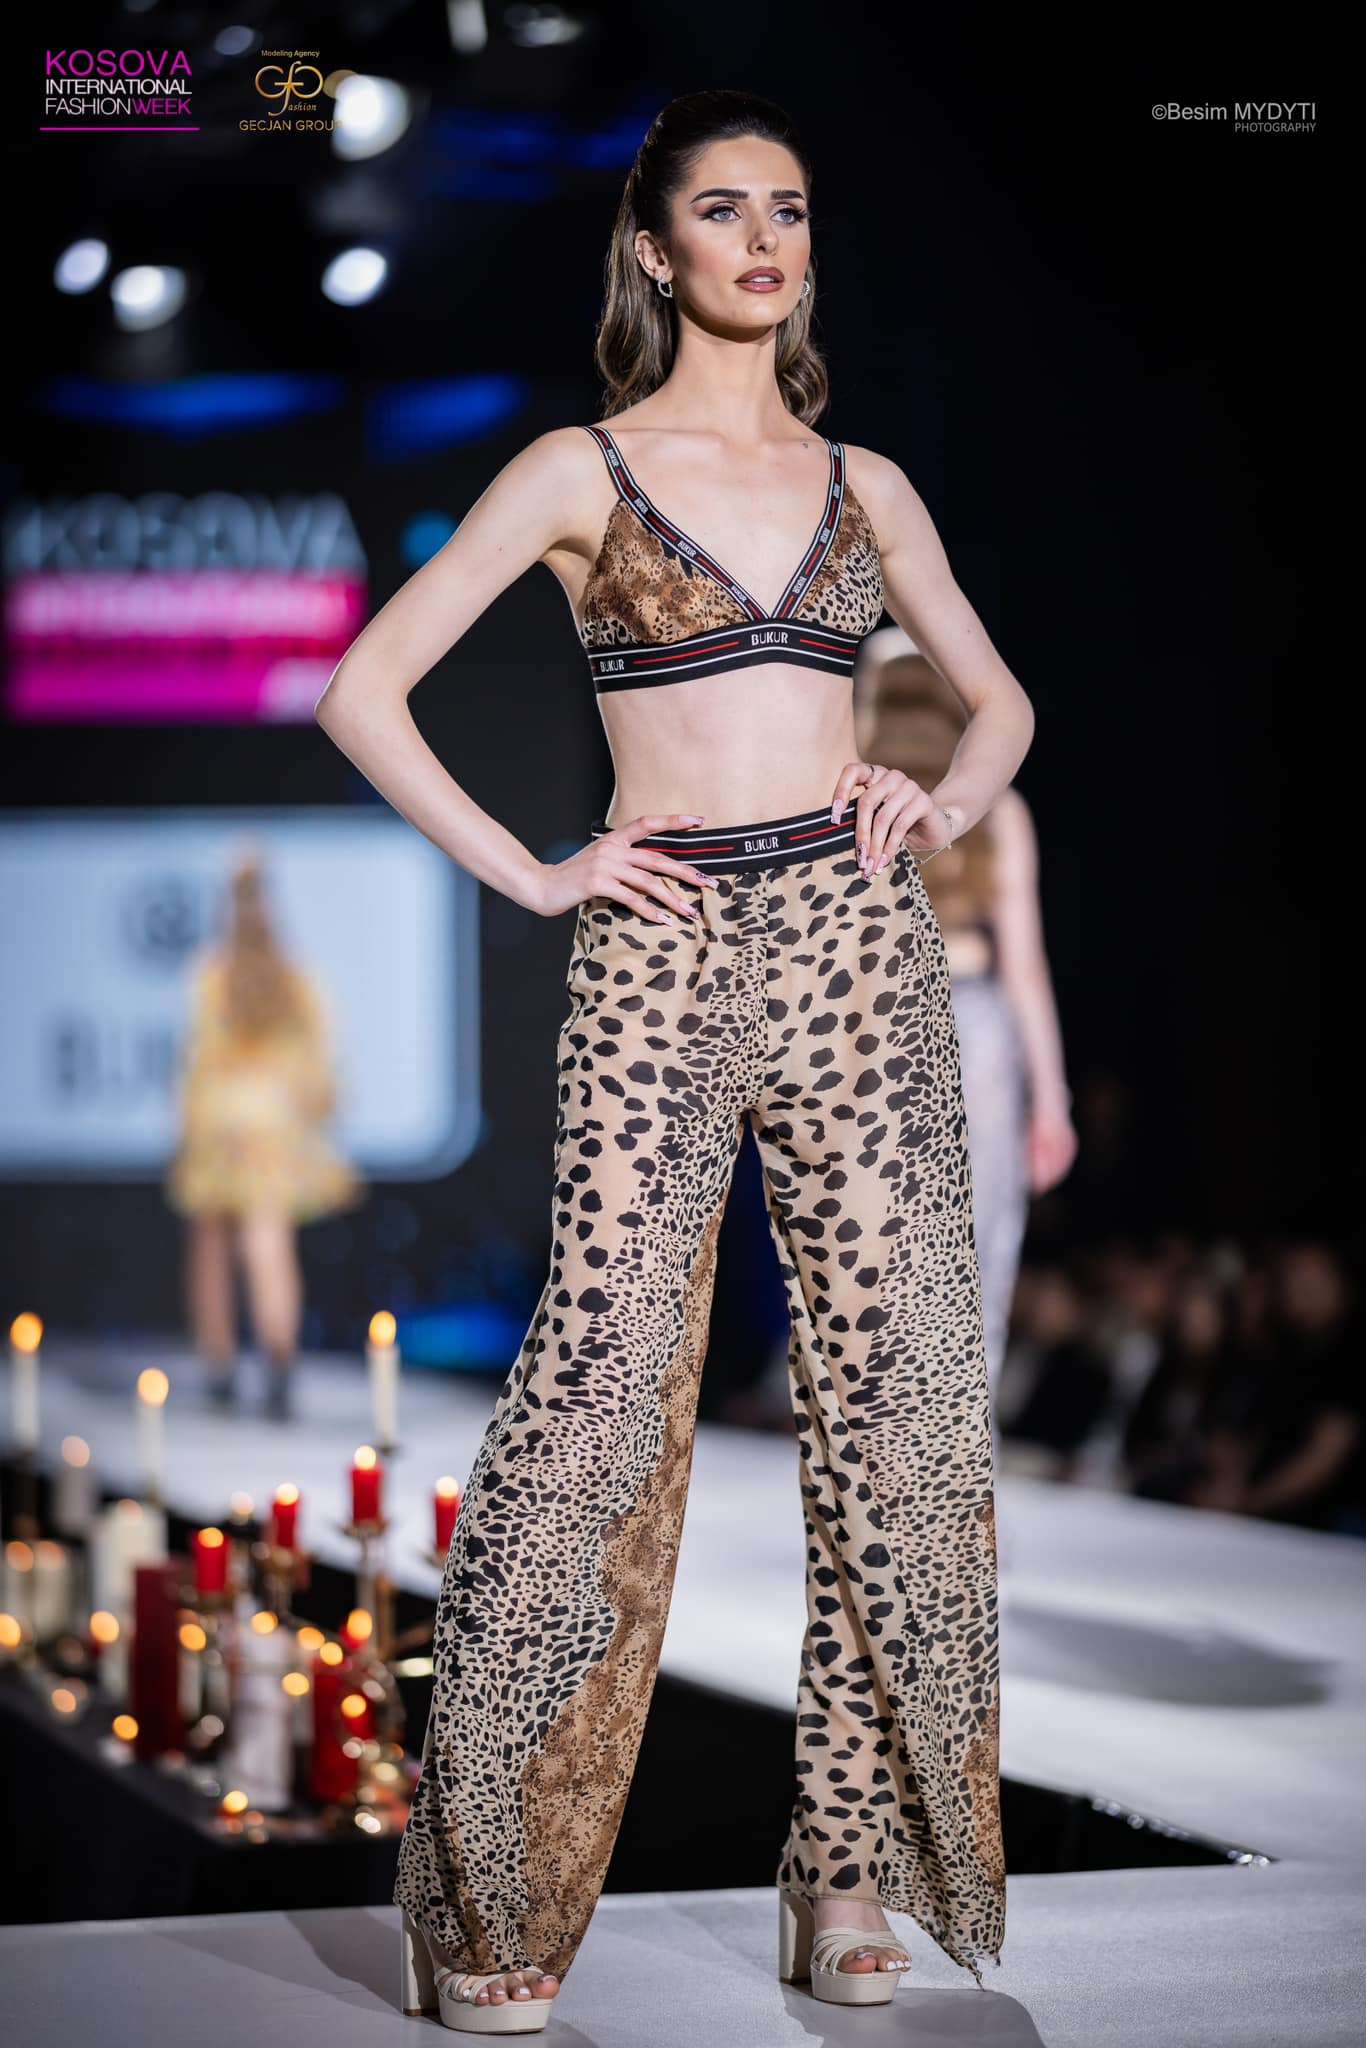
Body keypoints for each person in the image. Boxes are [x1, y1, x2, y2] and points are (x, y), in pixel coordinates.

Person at [316, 88, 1033, 2031]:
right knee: (597, 1394)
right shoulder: (580, 467)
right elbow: (362, 688)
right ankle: (488, 1893)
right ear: (653, 244)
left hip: (857, 944)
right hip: (659, 942)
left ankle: (845, 1866)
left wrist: (941, 794)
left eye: (787, 209)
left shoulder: (867, 484)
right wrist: (535, 871)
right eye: (723, 210)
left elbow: (998, 703)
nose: (763, 240)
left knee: (898, 1404)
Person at [853, 627, 1076, 1398]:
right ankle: (961, 1446)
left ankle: (877, 1446)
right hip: (972, 1024)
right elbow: (1026, 969)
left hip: (869, 1028)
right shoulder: (997, 811)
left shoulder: (844, 802)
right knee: (976, 1245)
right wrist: (1051, 1101)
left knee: (871, 1248)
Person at [165, 852, 363, 1421]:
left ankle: (220, 1366)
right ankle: (279, 1363)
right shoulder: (298, 978)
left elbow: (197, 1057)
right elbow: (322, 1061)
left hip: (221, 1118)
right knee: (267, 1241)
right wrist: (318, 1112)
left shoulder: (211, 975)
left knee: (212, 1245)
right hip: (275, 1120)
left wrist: (189, 1125)